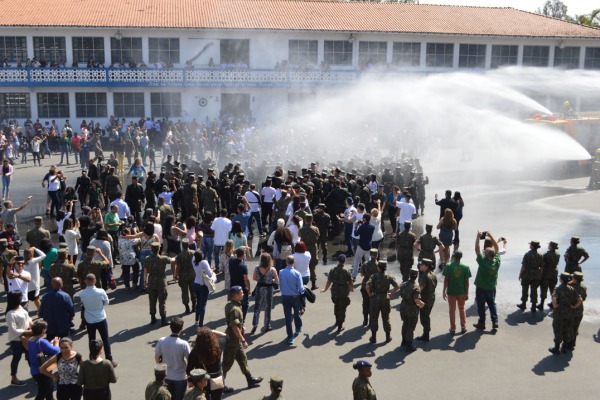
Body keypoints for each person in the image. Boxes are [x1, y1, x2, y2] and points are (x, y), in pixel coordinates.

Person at [222, 286, 263, 390]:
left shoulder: (231, 304)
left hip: (236, 341)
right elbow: (234, 326)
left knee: (243, 360)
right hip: (232, 341)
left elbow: (236, 324)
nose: (243, 294)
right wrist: (243, 339)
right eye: (241, 293)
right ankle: (220, 386)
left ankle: (250, 380)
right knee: (226, 365)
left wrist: (241, 327)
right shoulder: (234, 309)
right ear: (235, 295)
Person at [77, 274, 118, 367]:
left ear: (85, 281)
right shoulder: (100, 291)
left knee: (91, 340)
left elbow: (83, 302)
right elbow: (107, 302)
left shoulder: (82, 293)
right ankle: (109, 359)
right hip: (100, 318)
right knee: (105, 339)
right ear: (95, 281)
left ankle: (93, 358)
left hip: (89, 319)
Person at [155, 317, 190, 400]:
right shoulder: (184, 344)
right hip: (180, 377)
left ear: (170, 327)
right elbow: (190, 360)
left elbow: (157, 357)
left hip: (166, 376)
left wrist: (160, 366)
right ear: (181, 329)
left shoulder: (162, 341)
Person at [187, 327, 226, 400]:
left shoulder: (195, 352)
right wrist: (212, 331)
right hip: (216, 379)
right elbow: (225, 336)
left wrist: (191, 382)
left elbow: (189, 370)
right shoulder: (218, 345)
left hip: (202, 381)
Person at [473, 231, 500, 331]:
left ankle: (482, 323)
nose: (484, 253)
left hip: (481, 287)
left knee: (481, 305)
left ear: (488, 255)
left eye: (485, 252)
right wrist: (491, 236)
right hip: (491, 286)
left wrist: (477, 237)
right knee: (491, 304)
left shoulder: (483, 262)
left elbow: (477, 249)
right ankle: (495, 322)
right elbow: (497, 248)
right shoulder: (496, 261)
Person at [320, 253, 353, 333]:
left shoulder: (333, 270)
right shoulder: (346, 271)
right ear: (344, 261)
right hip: (343, 291)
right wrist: (352, 288)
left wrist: (325, 289)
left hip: (335, 290)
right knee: (342, 307)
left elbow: (329, 281)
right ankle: (340, 325)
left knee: (336, 305)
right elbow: (350, 281)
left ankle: (337, 320)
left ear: (338, 261)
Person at [28, 319, 60, 400]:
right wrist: (56, 343)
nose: (46, 329)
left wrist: (50, 344)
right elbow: (56, 351)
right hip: (42, 372)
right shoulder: (41, 341)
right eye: (45, 328)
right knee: (43, 392)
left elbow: (41, 348)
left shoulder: (31, 339)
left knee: (50, 389)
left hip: (35, 371)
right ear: (42, 330)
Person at [548, 272, 580, 354]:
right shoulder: (572, 289)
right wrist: (574, 306)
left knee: (558, 330)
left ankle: (556, 348)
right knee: (567, 330)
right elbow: (580, 300)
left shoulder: (557, 289)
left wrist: (555, 306)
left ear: (561, 279)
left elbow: (554, 299)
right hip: (569, 313)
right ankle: (564, 348)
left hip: (559, 314)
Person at [145, 242, 175, 326]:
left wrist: (145, 281)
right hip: (161, 281)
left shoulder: (147, 259)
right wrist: (175, 257)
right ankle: (163, 320)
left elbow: (145, 271)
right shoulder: (163, 258)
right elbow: (172, 260)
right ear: (158, 249)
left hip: (151, 281)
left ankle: (153, 318)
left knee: (152, 300)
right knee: (162, 301)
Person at [6, 290, 32, 386]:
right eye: (21, 297)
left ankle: (36, 374)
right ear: (17, 299)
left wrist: (32, 324)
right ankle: (14, 378)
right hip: (16, 340)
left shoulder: (21, 308)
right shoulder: (10, 314)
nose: (22, 298)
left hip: (26, 338)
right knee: (16, 358)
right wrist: (29, 332)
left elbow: (28, 318)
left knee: (30, 356)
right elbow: (14, 330)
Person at [442, 250, 471, 334]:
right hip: (461, 291)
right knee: (462, 308)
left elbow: (446, 279)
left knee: (452, 309)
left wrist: (444, 291)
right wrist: (467, 293)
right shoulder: (465, 267)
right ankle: (463, 326)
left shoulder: (448, 266)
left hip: (451, 291)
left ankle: (453, 328)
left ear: (453, 256)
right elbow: (467, 282)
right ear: (461, 257)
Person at [279, 255, 305, 345]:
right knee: (297, 313)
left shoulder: (281, 272)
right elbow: (301, 288)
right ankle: (298, 328)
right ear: (293, 262)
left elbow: (280, 285)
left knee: (288, 318)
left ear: (286, 262)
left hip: (285, 296)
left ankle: (290, 337)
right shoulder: (297, 273)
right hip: (295, 297)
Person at [251, 253, 279, 334]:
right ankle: (267, 325)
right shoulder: (272, 269)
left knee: (257, 307)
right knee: (268, 307)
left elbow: (254, 278)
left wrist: (261, 279)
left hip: (259, 288)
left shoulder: (257, 268)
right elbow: (277, 281)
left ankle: (255, 324)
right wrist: (271, 280)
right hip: (269, 289)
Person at [399, 267, 424, 352]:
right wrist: (421, 303)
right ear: (416, 276)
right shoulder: (416, 287)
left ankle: (403, 341)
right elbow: (416, 300)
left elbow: (401, 292)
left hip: (403, 307)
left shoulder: (403, 284)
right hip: (412, 309)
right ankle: (409, 345)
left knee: (405, 324)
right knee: (410, 327)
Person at [517, 240, 544, 312]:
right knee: (534, 290)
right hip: (536, 275)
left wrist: (520, 275)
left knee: (525, 289)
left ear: (532, 246)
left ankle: (523, 304)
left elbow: (523, 266)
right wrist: (539, 275)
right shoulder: (540, 255)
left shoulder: (527, 254)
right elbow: (541, 268)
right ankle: (533, 306)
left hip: (527, 274)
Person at [173, 239, 197, 315]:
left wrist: (175, 274)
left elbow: (178, 267)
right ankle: (194, 306)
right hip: (192, 275)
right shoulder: (193, 253)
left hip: (183, 276)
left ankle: (187, 307)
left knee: (184, 292)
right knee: (193, 291)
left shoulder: (179, 256)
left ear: (182, 246)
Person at [416, 258, 437, 342]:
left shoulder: (425, 275)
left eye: (421, 265)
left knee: (424, 317)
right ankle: (426, 333)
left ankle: (426, 335)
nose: (420, 266)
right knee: (426, 316)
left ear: (426, 266)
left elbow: (420, 288)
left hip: (425, 299)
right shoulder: (433, 274)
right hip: (431, 297)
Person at [192, 249, 214, 327]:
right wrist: (212, 270)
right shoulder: (204, 262)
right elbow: (210, 274)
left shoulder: (194, 262)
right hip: (203, 285)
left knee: (198, 302)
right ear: (202, 255)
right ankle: (201, 324)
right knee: (203, 304)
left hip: (196, 283)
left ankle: (196, 320)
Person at [298, 213, 319, 289]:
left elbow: (299, 236)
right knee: (312, 266)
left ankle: (302, 284)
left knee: (302, 266)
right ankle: (313, 284)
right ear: (312, 220)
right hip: (313, 248)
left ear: (305, 220)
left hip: (304, 247)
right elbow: (317, 237)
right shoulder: (315, 229)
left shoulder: (301, 229)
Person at [228, 247, 251, 320]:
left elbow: (231, 252)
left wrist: (239, 249)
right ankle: (242, 319)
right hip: (241, 288)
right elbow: (246, 279)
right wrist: (249, 289)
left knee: (234, 304)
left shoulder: (231, 261)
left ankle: (233, 318)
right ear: (243, 255)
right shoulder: (243, 266)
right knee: (245, 305)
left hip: (232, 286)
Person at [358, 249, 379, 327]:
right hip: (374, 287)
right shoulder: (378, 265)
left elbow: (361, 275)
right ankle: (371, 321)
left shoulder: (365, 264)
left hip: (364, 285)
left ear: (370, 255)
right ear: (377, 255)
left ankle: (365, 320)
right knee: (372, 305)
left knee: (365, 303)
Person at [352, 213, 374, 280]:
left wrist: (356, 226)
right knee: (368, 262)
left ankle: (354, 276)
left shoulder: (361, 227)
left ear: (364, 219)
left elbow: (356, 234)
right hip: (368, 247)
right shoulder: (372, 227)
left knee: (357, 261)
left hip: (361, 246)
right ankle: (369, 276)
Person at [23, 246, 47, 311]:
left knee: (25, 302)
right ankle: (40, 314)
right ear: (31, 254)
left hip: (25, 285)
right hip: (34, 285)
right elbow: (44, 255)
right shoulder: (34, 260)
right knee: (37, 301)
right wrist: (35, 248)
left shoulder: (23, 262)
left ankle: (25, 316)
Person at [539, 241, 560, 310]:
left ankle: (541, 304)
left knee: (544, 289)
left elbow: (542, 264)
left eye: (549, 245)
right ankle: (553, 303)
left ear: (551, 246)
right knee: (553, 289)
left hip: (546, 273)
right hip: (554, 273)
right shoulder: (558, 254)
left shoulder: (545, 255)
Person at [569, 271, 586, 350]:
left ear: (575, 279)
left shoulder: (570, 286)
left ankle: (569, 343)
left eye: (573, 277)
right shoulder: (583, 287)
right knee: (576, 327)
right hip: (580, 310)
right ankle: (573, 342)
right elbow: (584, 298)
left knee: (569, 327)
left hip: (571, 309)